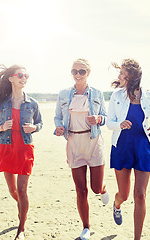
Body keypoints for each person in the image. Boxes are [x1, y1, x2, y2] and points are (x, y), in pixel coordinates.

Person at [0, 64, 43, 240]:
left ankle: (21, 229)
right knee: (13, 190)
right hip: (7, 147)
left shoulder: (32, 103)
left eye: (26, 76)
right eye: (20, 75)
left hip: (25, 148)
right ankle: (22, 207)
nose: (23, 78)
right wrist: (1, 127)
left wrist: (34, 128)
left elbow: (40, 123)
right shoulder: (1, 104)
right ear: (11, 78)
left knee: (22, 189)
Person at [54, 58, 109, 240]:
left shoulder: (97, 93)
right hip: (73, 142)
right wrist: (59, 127)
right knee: (81, 189)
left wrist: (99, 119)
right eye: (74, 71)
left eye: (82, 71)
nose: (78, 75)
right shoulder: (63, 94)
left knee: (94, 187)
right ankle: (86, 228)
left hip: (93, 141)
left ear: (88, 73)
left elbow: (105, 116)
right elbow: (58, 117)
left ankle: (102, 189)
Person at [106, 59, 150, 240]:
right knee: (125, 194)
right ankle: (117, 203)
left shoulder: (148, 96)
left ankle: (137, 238)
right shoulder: (116, 96)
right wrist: (119, 124)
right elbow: (109, 123)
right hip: (122, 146)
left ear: (132, 77)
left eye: (122, 73)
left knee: (140, 195)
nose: (119, 76)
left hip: (142, 147)